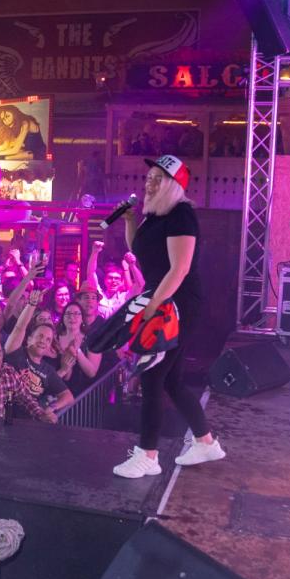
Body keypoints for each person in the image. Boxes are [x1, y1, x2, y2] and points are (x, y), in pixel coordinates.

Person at [112, 155, 222, 479]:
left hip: (177, 304)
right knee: (171, 381)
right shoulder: (156, 215)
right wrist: (130, 221)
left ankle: (148, 455)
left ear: (174, 185)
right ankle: (205, 442)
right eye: (148, 177)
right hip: (163, 300)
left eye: (158, 178)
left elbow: (180, 269)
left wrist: (153, 305)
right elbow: (140, 251)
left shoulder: (181, 215)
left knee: (152, 375)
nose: (149, 183)